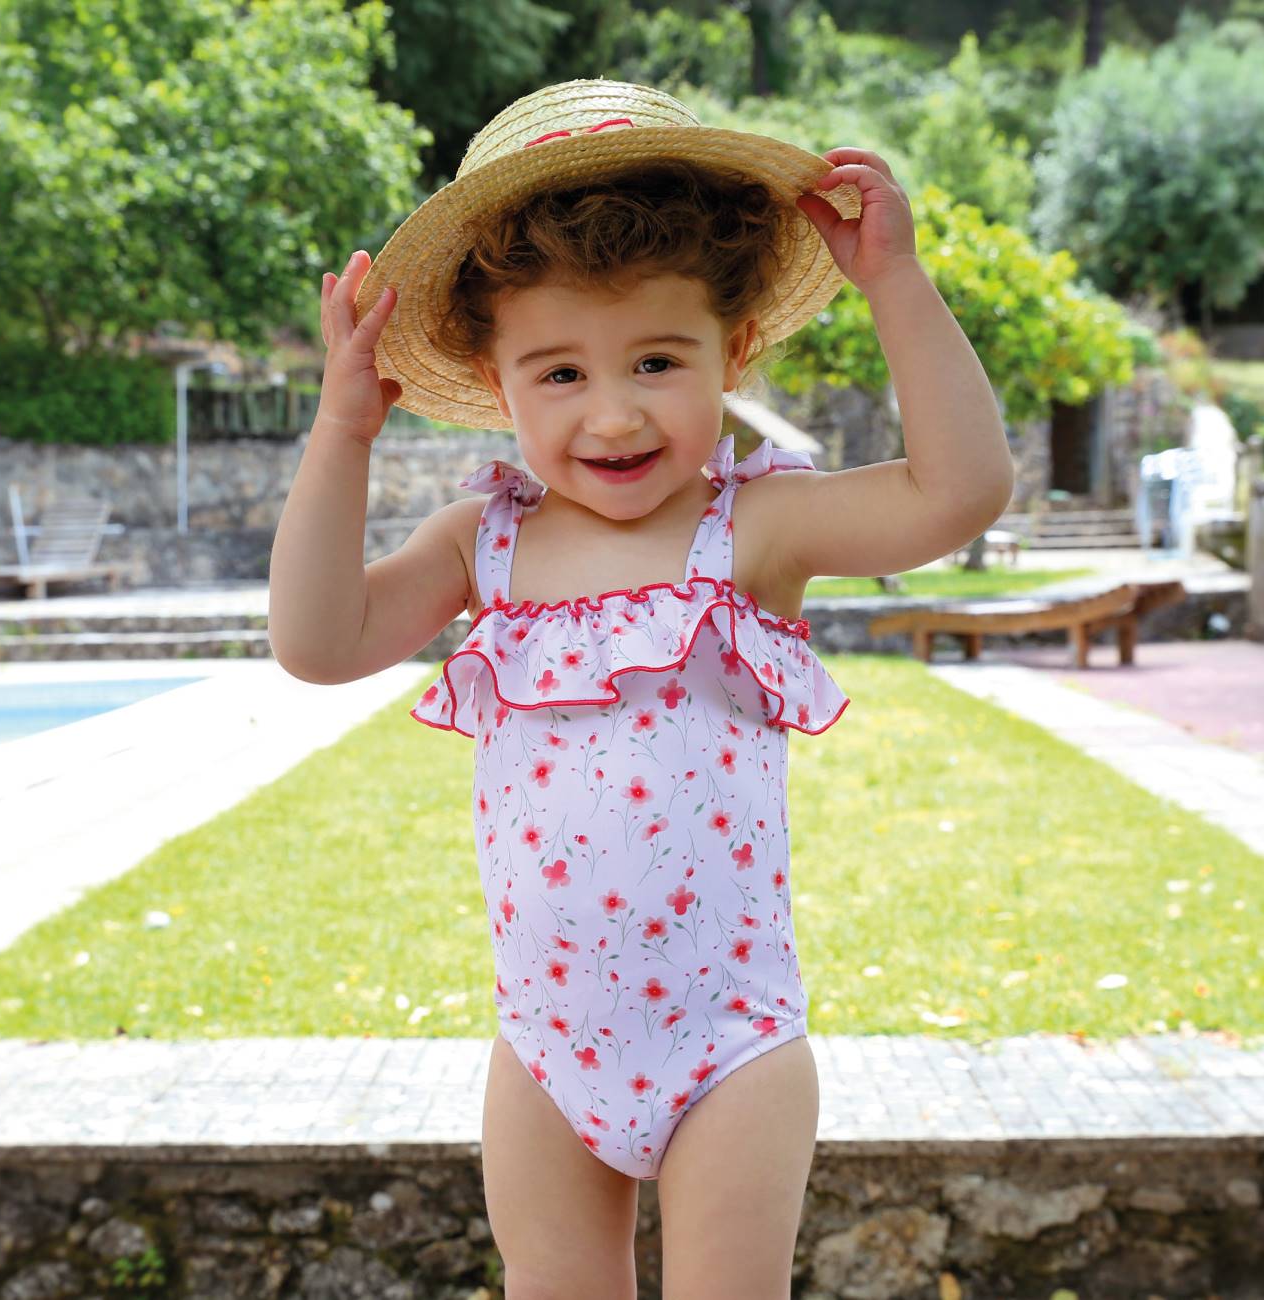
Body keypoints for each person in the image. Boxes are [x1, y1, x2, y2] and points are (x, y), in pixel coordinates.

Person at [269, 77, 1014, 1300]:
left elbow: (957, 491)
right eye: (558, 373)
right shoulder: (480, 545)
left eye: (658, 360)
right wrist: (341, 433)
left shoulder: (754, 530)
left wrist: (897, 283)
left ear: (736, 349)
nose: (612, 414)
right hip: (545, 1054)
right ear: (489, 372)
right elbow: (317, 637)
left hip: (732, 1052)